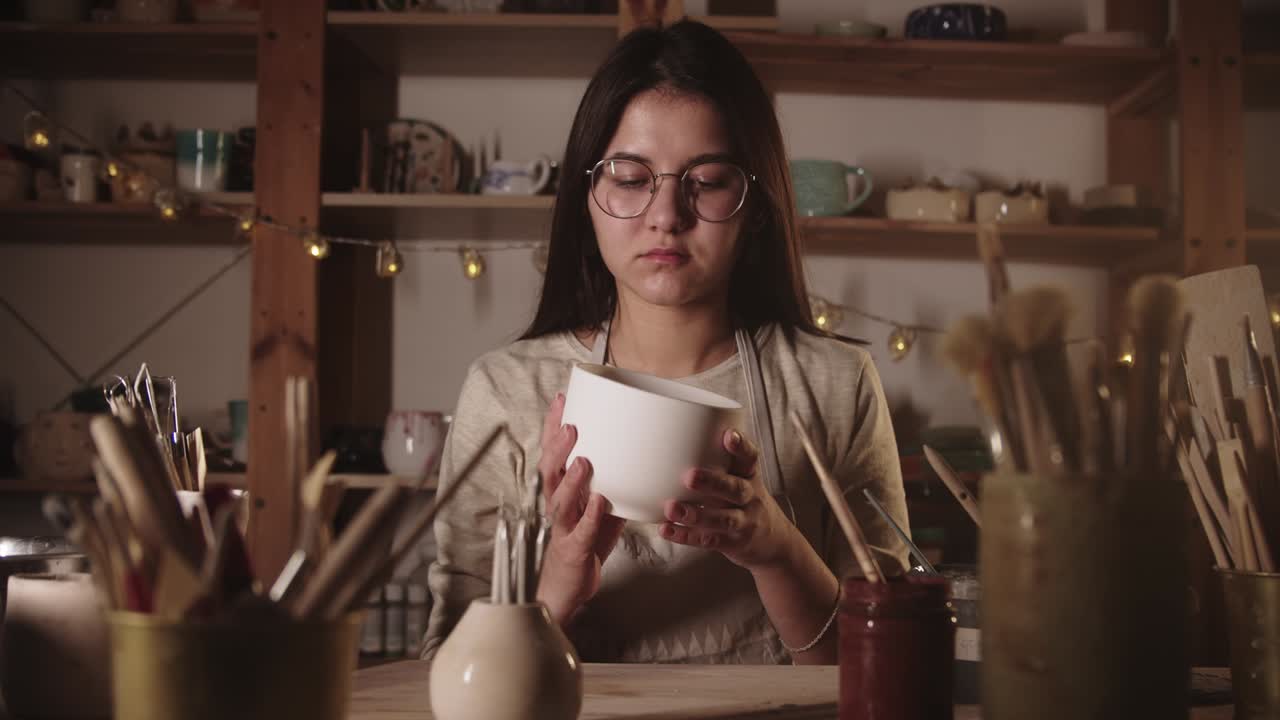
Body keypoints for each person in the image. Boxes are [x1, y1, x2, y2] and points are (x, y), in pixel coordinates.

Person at [423, 19, 909, 666]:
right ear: (586, 195)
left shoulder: (836, 386)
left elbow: (887, 672)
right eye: (629, 176)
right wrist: (558, 586)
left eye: (706, 181)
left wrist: (775, 548)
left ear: (756, 204)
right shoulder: (507, 392)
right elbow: (448, 672)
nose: (666, 215)